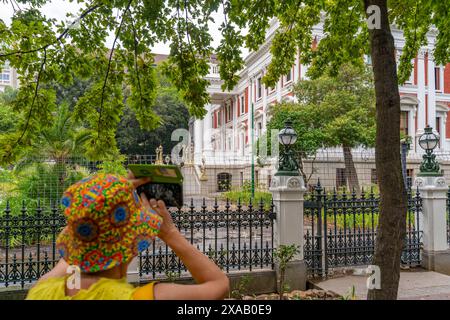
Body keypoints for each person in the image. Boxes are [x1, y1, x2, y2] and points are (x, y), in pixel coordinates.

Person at [26, 172, 229, 300]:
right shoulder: (142, 297)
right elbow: (219, 285)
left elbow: (76, 253)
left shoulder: (41, 292)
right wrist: (170, 233)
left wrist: (107, 196)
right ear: (132, 245)